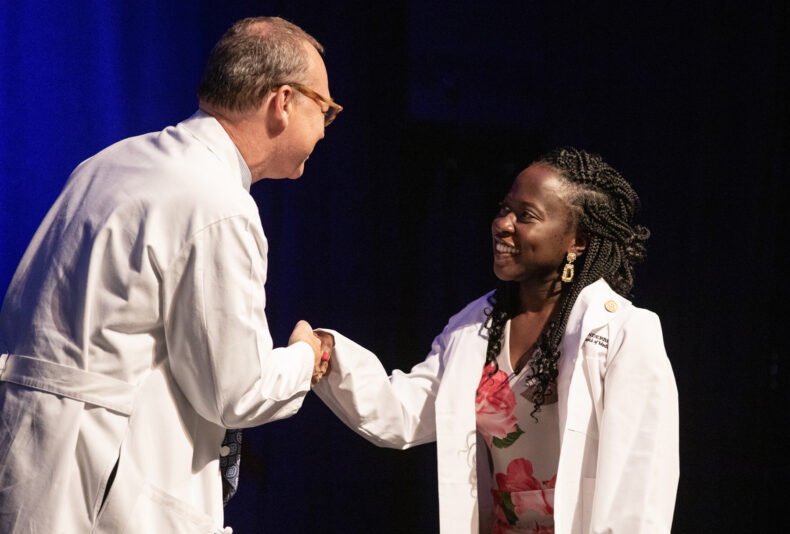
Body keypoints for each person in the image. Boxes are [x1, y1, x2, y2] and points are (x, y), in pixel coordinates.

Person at [0, 16, 340, 534]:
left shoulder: (111, 161)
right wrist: (305, 357)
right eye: (326, 109)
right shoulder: (216, 202)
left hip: (30, 458)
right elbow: (236, 390)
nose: (325, 126)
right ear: (284, 102)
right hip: (100, 487)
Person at [314, 147, 679, 534]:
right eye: (504, 209)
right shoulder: (475, 326)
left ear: (578, 241)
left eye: (526, 216)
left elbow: (640, 481)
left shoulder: (624, 332)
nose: (503, 224)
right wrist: (328, 353)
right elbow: (403, 414)